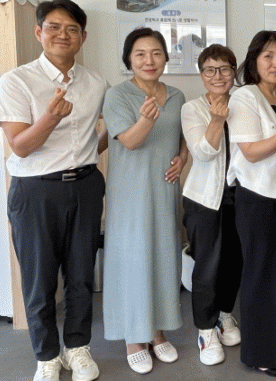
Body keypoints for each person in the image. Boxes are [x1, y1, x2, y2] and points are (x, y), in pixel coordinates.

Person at [0, 0, 107, 381]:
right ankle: (46, 355)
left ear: (83, 37)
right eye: (54, 27)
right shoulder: (15, 81)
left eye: (72, 29)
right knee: (39, 279)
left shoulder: (96, 82)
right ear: (38, 31)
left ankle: (77, 348)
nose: (63, 35)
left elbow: (102, 134)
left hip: (86, 186)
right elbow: (20, 146)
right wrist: (49, 118)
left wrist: (97, 148)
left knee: (81, 275)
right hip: (35, 191)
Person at [102, 28, 188, 374]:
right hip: (131, 193)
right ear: (129, 60)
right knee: (134, 259)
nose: (149, 60)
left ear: (165, 58)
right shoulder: (117, 95)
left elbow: (182, 138)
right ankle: (133, 338)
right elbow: (130, 141)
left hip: (164, 190)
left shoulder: (177, 96)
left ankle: (156, 331)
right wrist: (145, 120)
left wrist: (182, 158)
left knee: (164, 257)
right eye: (140, 54)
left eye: (156, 53)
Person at [228, 30, 276, 377]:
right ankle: (261, 353)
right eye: (268, 56)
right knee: (262, 274)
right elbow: (250, 151)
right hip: (258, 196)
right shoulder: (244, 96)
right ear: (254, 61)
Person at [181, 44, 242, 366]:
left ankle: (224, 315)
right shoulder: (192, 109)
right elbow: (203, 153)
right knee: (207, 268)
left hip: (241, 198)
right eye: (210, 70)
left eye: (225, 69)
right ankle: (205, 330)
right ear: (202, 74)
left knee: (235, 263)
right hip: (205, 199)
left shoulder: (244, 102)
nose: (218, 76)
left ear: (234, 72)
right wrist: (217, 120)